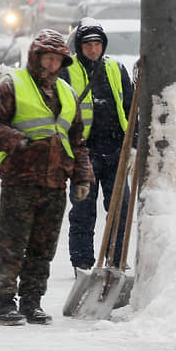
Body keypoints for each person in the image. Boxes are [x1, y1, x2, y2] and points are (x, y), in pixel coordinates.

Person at [0, 29, 93, 326]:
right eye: (47, 58)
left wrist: (82, 176)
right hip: (20, 179)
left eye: (57, 59)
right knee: (12, 244)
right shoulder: (11, 86)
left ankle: (32, 301)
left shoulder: (67, 93)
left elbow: (77, 141)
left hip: (56, 182)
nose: (52, 64)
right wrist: (19, 142)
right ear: (35, 57)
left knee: (44, 247)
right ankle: (2, 303)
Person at [59, 18, 134, 273]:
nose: (93, 49)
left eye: (97, 44)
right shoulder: (67, 72)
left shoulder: (116, 69)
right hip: (84, 155)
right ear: (80, 46)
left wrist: (132, 143)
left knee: (120, 209)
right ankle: (82, 263)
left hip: (115, 153)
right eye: (88, 44)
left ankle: (116, 260)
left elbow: (131, 109)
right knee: (82, 210)